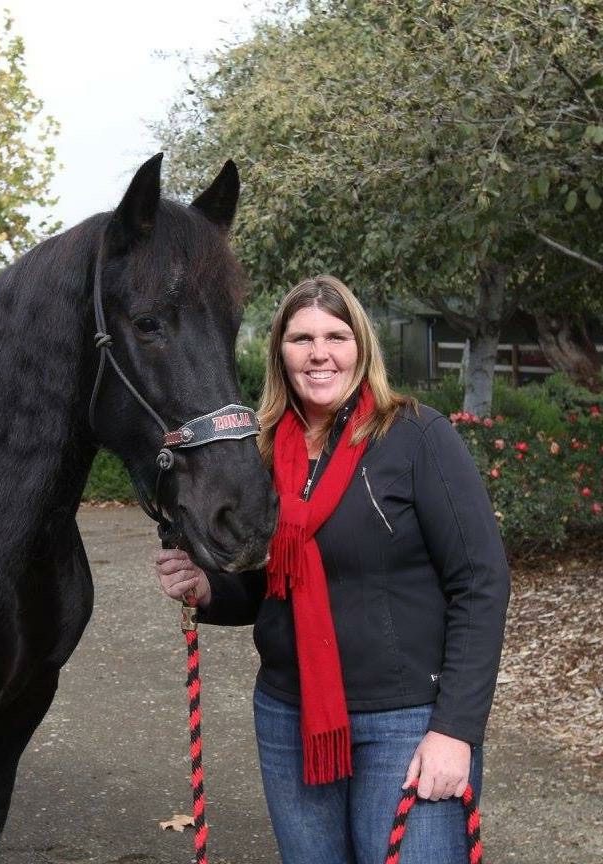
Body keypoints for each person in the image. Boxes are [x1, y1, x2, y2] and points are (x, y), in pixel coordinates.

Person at [156, 275, 510, 864]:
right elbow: (265, 587)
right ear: (280, 354)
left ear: (361, 347)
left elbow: (481, 584)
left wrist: (455, 732)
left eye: (336, 336)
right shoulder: (261, 453)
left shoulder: (417, 438)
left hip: (407, 722)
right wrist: (207, 589)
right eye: (301, 339)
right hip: (290, 718)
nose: (320, 353)